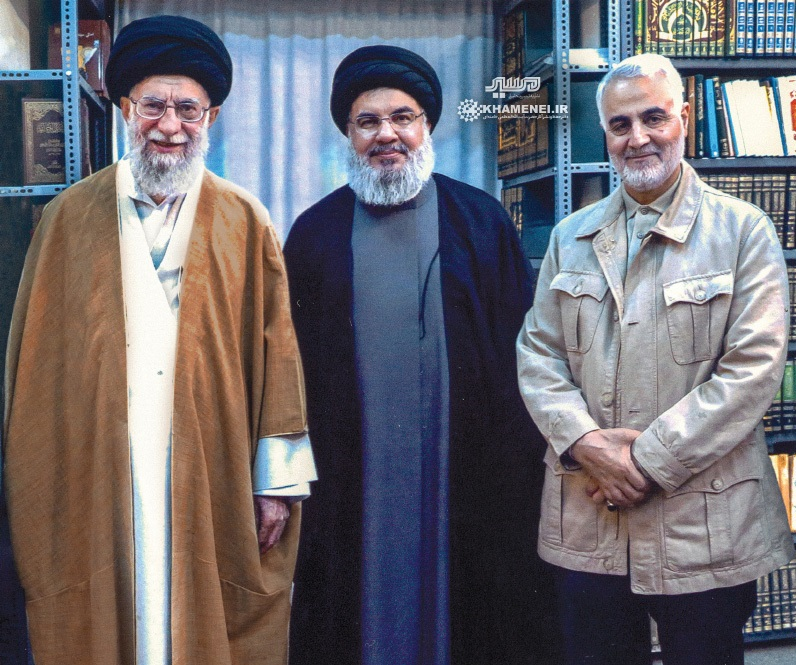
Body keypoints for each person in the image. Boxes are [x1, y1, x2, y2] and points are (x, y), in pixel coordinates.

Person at [3, 15, 316, 665]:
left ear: (211, 117)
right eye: (153, 106)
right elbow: (36, 365)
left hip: (213, 462)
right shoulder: (67, 218)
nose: (169, 125)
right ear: (125, 108)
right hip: (100, 467)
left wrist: (276, 483)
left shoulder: (245, 219)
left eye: (187, 109)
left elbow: (278, 355)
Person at [517, 52, 795, 665]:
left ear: (684, 119)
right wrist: (585, 443)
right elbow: (538, 353)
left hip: (704, 527)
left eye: (654, 118)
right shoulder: (570, 237)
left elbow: (753, 370)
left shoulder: (743, 231)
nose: (638, 138)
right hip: (589, 522)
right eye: (620, 125)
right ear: (605, 135)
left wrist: (641, 462)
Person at [283, 45, 557, 665]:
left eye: (402, 118)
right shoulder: (314, 234)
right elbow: (288, 373)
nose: (387, 134)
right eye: (368, 122)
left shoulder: (482, 222)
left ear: (427, 125)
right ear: (348, 134)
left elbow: (525, 358)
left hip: (467, 480)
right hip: (350, 480)